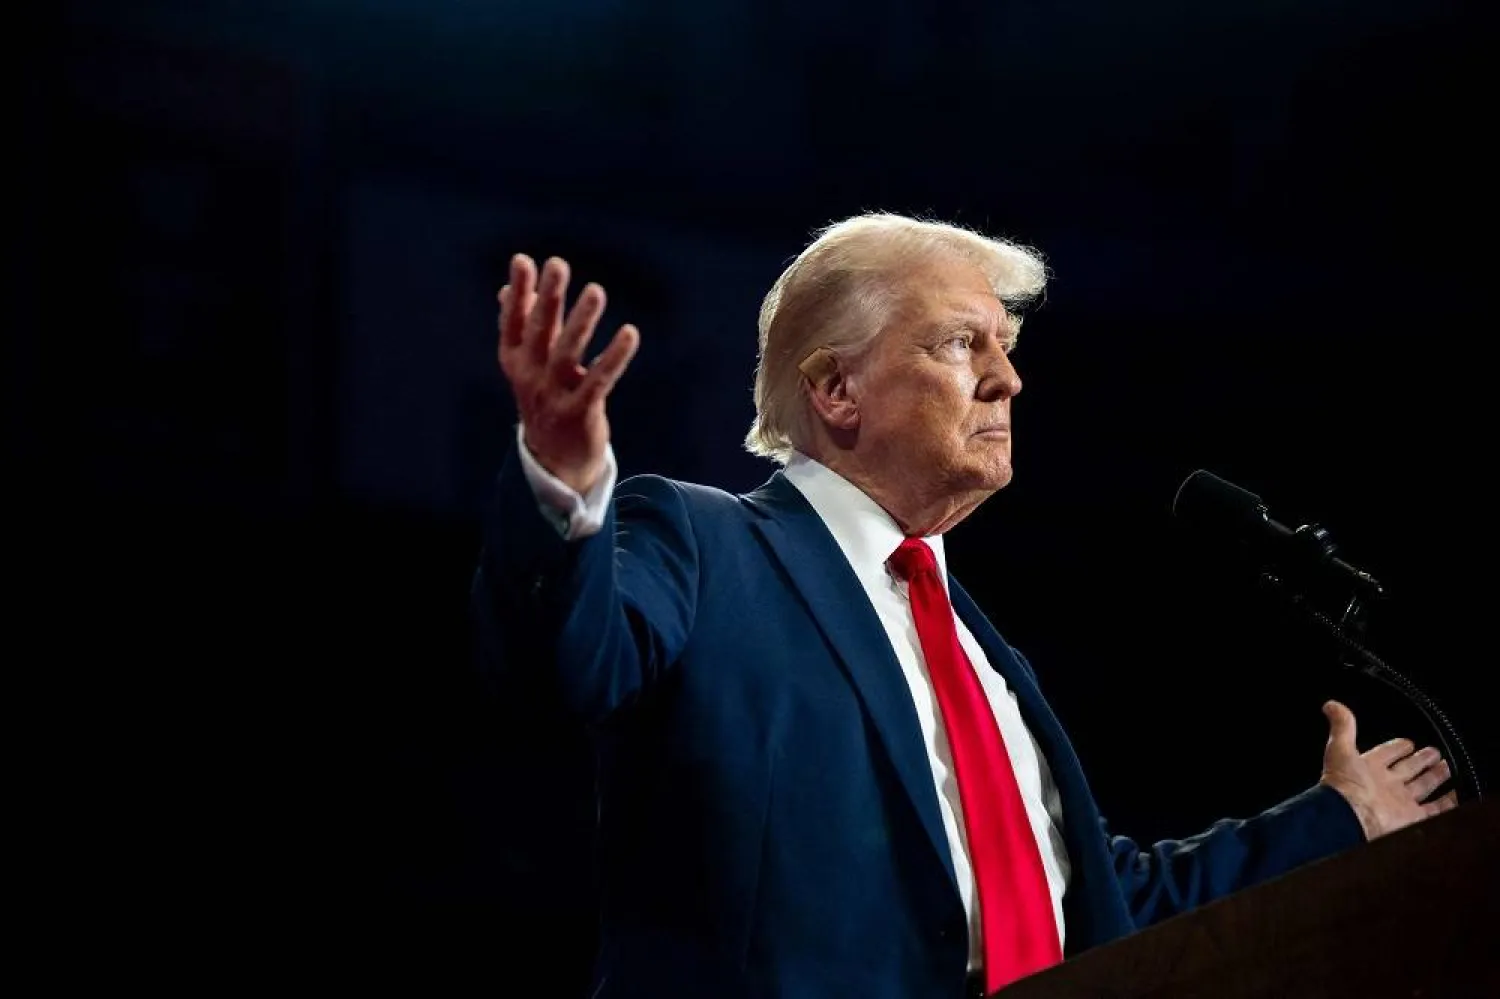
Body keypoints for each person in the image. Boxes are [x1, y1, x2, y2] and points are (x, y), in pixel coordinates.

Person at [471, 213, 1456, 999]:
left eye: (1008, 345)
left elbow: (1101, 907)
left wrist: (1336, 823)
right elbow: (567, 660)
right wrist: (563, 486)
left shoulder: (990, 664)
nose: (1009, 378)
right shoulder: (704, 545)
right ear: (838, 391)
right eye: (960, 342)